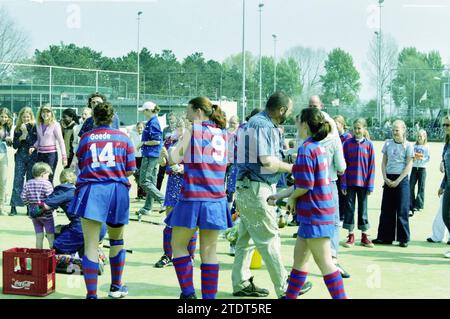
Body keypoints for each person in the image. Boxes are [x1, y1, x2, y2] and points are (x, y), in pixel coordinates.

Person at [232, 92, 312, 299]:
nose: (290, 114)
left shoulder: (255, 123)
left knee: (245, 239)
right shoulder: (263, 125)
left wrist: (287, 158)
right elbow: (268, 162)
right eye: (290, 111)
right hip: (256, 188)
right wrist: (295, 168)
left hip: (247, 187)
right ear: (282, 110)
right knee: (269, 238)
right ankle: (285, 287)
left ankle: (240, 282)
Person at [165, 96, 232, 299]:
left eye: (189, 111)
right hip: (216, 197)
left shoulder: (193, 130)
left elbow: (174, 159)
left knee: (177, 245)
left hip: (193, 196)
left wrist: (169, 150)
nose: (186, 115)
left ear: (198, 112)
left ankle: (188, 293)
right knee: (210, 252)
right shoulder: (224, 134)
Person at [69, 101, 136, 299]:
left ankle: (91, 295)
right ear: (112, 116)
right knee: (117, 240)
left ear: (94, 118)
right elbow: (131, 169)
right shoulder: (124, 138)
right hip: (117, 190)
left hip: (91, 190)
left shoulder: (86, 138)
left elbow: (80, 164)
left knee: (90, 244)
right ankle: (116, 287)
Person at [282, 107, 347, 299]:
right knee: (299, 260)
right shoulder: (317, 147)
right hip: (317, 212)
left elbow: (305, 185)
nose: (295, 125)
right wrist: (280, 196)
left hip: (315, 213)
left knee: (326, 263)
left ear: (304, 125)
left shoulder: (306, 148)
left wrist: (292, 197)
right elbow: (305, 183)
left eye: (297, 121)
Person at [155, 119, 197, 268]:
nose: (179, 129)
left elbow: (199, 165)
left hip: (189, 184)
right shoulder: (169, 141)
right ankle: (167, 255)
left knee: (190, 222)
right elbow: (163, 164)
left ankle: (190, 255)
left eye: (182, 126)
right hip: (173, 183)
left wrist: (183, 169)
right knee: (170, 221)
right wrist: (162, 157)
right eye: (177, 126)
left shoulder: (194, 143)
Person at [44, 169, 107, 255]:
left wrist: (34, 211)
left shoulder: (63, 190)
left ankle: (67, 260)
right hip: (101, 228)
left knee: (56, 243)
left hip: (82, 228)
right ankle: (86, 252)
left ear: (61, 179)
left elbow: (45, 206)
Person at [373, 120, 413, 248]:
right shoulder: (388, 143)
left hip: (402, 180)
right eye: (393, 129)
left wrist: (398, 180)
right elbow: (384, 162)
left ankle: (403, 239)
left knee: (402, 210)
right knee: (386, 210)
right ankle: (385, 237)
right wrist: (385, 178)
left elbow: (408, 165)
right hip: (389, 178)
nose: (395, 132)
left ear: (403, 130)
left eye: (397, 129)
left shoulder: (408, 146)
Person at [341, 118, 376, 248]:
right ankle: (350, 235)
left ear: (364, 129)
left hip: (364, 183)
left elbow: (372, 166)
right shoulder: (347, 144)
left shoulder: (369, 145)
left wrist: (370, 184)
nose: (357, 130)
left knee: (363, 209)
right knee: (349, 209)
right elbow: (343, 165)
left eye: (359, 128)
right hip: (350, 183)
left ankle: (364, 235)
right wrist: (343, 183)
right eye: (355, 128)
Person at [136, 101, 165, 216]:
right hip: (152, 155)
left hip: (150, 155)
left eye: (144, 110)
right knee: (151, 182)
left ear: (148, 110)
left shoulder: (153, 123)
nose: (143, 112)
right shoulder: (152, 122)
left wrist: (143, 143)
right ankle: (148, 207)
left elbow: (157, 140)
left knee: (144, 181)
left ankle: (163, 200)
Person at [10, 107, 38, 216]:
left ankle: (29, 207)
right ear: (21, 117)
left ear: (31, 117)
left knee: (30, 181)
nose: (26, 118)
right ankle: (14, 206)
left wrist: (26, 133)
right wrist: (21, 135)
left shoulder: (34, 128)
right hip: (20, 156)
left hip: (31, 157)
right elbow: (15, 145)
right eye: (24, 116)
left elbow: (34, 143)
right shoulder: (17, 128)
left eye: (28, 116)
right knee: (18, 180)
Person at [29, 104, 67, 183]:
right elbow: (39, 140)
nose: (45, 114)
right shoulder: (38, 124)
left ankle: (49, 195)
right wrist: (34, 146)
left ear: (51, 113)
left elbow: (61, 141)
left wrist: (64, 157)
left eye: (48, 112)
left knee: (49, 178)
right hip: (40, 154)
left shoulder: (55, 125)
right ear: (40, 113)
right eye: (43, 111)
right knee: (39, 177)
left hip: (51, 155)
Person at [21, 162, 54, 249]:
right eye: (47, 175)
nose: (48, 177)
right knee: (50, 236)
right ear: (43, 174)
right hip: (46, 214)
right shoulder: (47, 184)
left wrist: (29, 205)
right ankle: (54, 256)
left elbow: (23, 197)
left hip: (34, 214)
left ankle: (39, 255)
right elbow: (51, 198)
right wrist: (53, 208)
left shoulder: (28, 183)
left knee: (39, 236)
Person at [333, 115, 352, 223]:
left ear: (342, 124)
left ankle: (343, 216)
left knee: (344, 194)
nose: (335, 125)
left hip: (345, 171)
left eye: (337, 123)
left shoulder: (347, 138)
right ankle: (338, 214)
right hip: (335, 171)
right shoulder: (333, 137)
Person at [409, 129, 430, 217]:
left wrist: (422, 159)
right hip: (414, 168)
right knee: (411, 186)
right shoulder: (414, 146)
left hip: (422, 169)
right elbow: (411, 155)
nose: (419, 138)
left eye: (421, 136)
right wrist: (413, 157)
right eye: (418, 136)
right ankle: (411, 203)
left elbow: (428, 158)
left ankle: (419, 205)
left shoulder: (426, 147)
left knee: (421, 187)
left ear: (424, 137)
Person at [440, 115, 450, 258]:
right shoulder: (447, 143)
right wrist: (442, 185)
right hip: (448, 185)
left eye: (447, 125)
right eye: (444, 125)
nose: (445, 128)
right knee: (445, 215)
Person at [0, 108, 13, 215]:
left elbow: (7, 143)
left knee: (3, 181)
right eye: (2, 116)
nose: (3, 119)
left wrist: (8, 140)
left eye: (5, 117)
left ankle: (1, 207)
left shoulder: (7, 127)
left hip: (3, 154)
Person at [129, 121, 145, 200]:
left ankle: (143, 194)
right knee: (137, 175)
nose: (140, 129)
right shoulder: (133, 134)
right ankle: (139, 194)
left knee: (143, 175)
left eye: (141, 128)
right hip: (135, 157)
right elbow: (127, 129)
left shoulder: (145, 135)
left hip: (143, 156)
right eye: (138, 128)